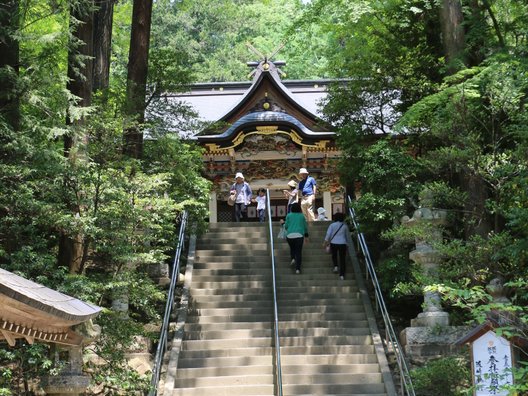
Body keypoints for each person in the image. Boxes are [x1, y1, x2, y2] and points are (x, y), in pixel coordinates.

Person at [280, 202, 309, 274]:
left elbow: (286, 226)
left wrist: (282, 223)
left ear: (292, 208)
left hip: (289, 235)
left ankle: (293, 258)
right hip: (299, 235)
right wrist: (306, 236)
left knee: (292, 248)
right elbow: (305, 226)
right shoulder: (301, 216)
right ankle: (297, 269)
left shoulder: (289, 215)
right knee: (298, 252)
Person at [323, 212, 352, 280]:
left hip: (334, 243)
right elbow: (347, 236)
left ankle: (336, 266)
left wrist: (325, 242)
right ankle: (342, 275)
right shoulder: (344, 226)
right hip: (342, 243)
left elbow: (328, 234)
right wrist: (347, 244)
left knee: (334, 255)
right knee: (342, 259)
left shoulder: (332, 225)